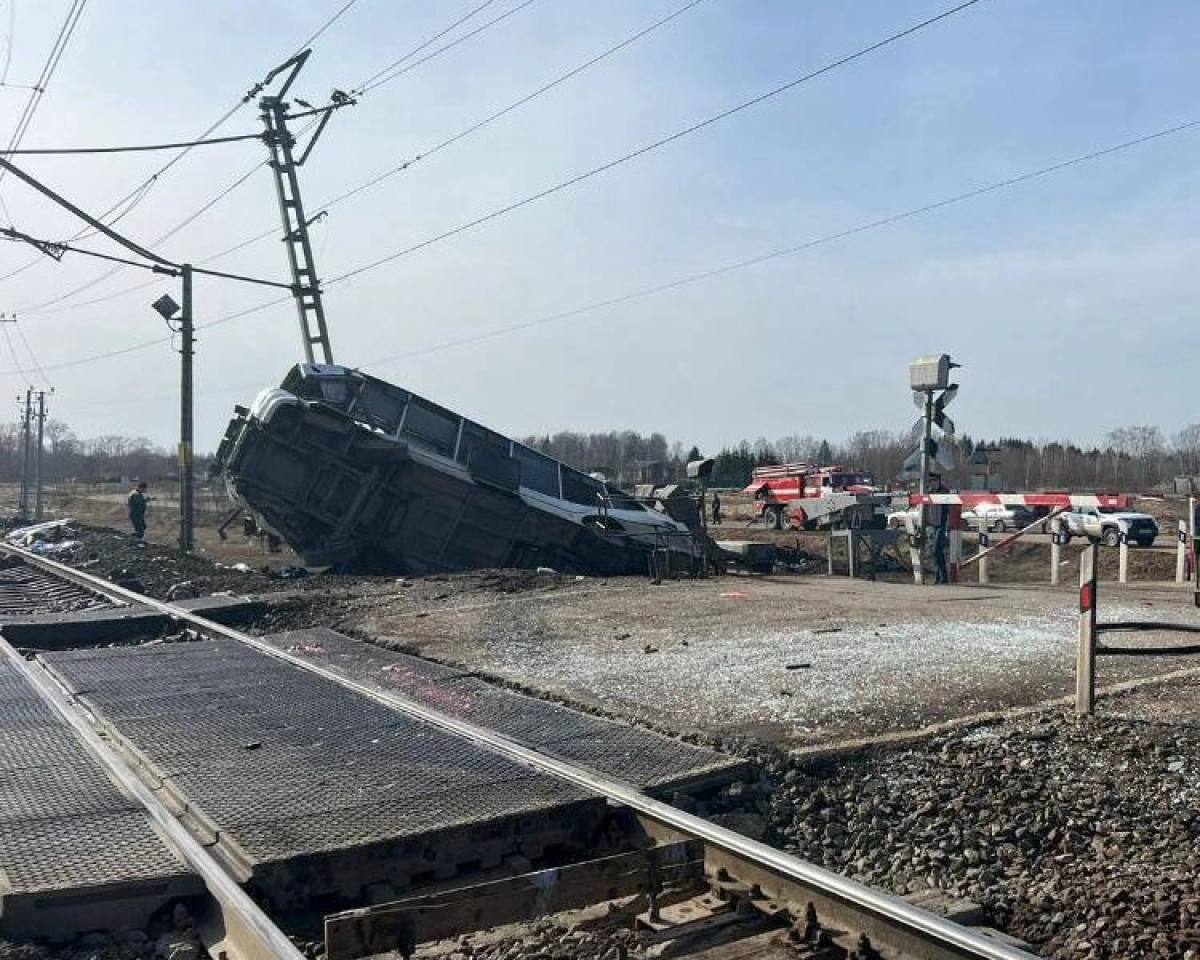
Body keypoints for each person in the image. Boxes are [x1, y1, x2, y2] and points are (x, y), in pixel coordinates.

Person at [929, 474, 950, 584]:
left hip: (942, 524)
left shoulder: (944, 492)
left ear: (938, 481)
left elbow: (948, 509)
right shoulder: (929, 492)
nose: (932, 483)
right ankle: (939, 577)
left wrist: (948, 526)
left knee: (936, 549)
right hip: (933, 524)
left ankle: (943, 576)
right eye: (930, 481)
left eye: (934, 480)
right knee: (937, 552)